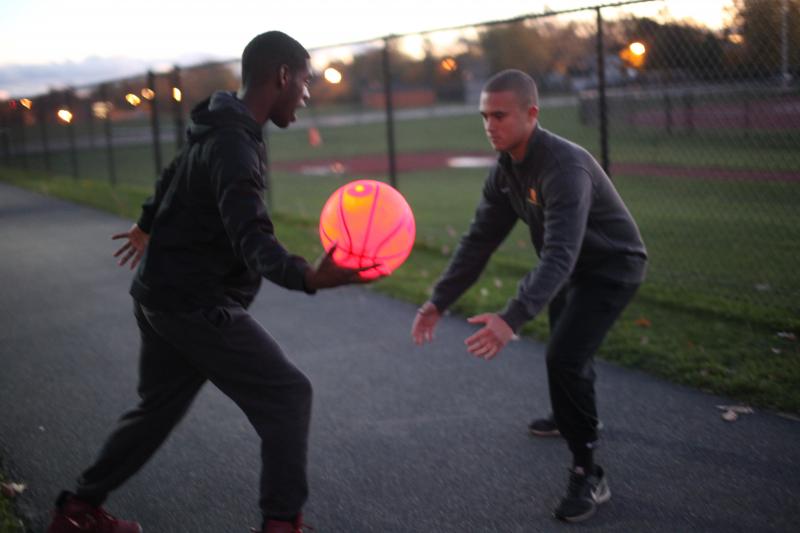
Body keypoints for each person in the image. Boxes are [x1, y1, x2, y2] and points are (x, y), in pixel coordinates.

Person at [46, 31, 374, 533]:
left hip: (160, 294)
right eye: (304, 82)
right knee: (289, 395)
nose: (306, 95)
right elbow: (251, 236)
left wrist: (147, 222)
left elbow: (175, 170)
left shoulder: (219, 122)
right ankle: (282, 524)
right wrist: (308, 276)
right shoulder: (235, 144)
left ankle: (78, 511)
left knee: (156, 409)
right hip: (194, 302)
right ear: (282, 76)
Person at [411, 69, 647, 523]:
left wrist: (511, 317)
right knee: (568, 355)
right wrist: (438, 300)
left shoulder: (563, 168)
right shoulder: (506, 172)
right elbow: (479, 240)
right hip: (572, 270)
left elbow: (559, 255)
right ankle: (573, 416)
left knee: (564, 357)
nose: (489, 126)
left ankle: (588, 473)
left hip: (612, 268)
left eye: (499, 115)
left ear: (531, 114)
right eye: (484, 116)